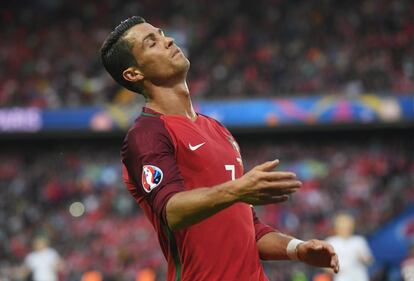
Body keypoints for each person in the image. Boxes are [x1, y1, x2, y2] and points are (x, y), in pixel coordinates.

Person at [100, 16, 339, 281]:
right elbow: (172, 211)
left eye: (162, 33)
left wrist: (297, 249)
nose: (168, 40)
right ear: (134, 73)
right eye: (151, 42)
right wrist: (238, 189)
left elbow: (249, 227)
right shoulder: (147, 135)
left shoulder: (217, 130)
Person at [326, 212, 373, 281]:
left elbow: (369, 260)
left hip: (359, 276)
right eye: (343, 226)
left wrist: (364, 259)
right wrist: (332, 269)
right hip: (342, 277)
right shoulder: (331, 242)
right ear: (337, 228)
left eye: (348, 226)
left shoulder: (359, 241)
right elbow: (324, 264)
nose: (346, 229)